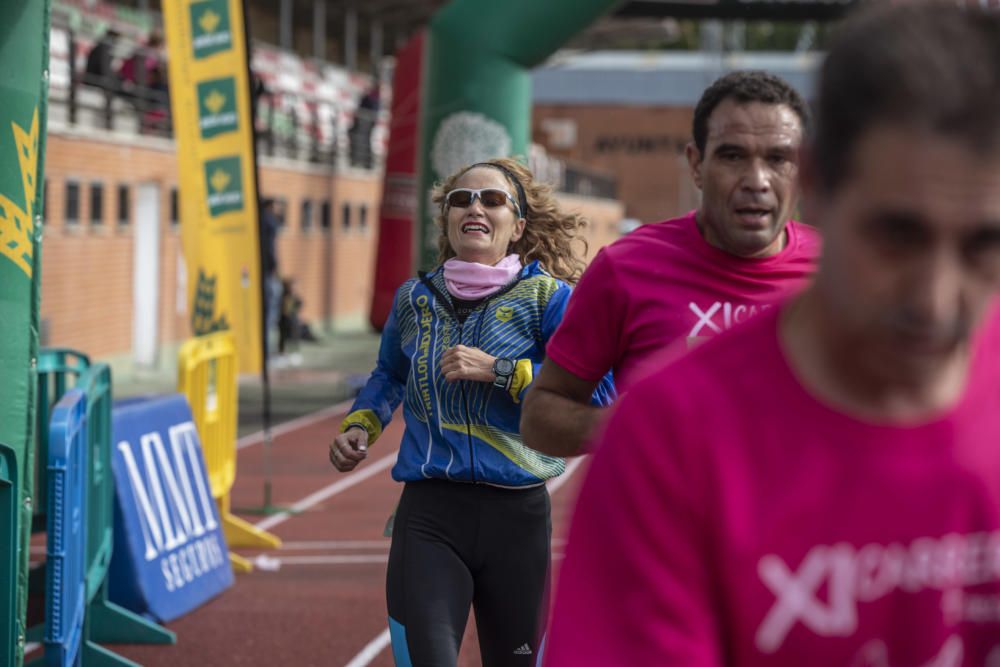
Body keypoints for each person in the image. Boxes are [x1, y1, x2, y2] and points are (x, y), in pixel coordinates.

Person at [544, 4, 1000, 665]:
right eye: (896, 237)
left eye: (986, 244)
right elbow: (546, 409)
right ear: (819, 183)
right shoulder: (669, 434)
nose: (935, 301)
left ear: (795, 172)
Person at [328, 157, 615, 666]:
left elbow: (598, 393)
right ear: (447, 220)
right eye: (461, 199)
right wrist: (359, 426)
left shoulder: (550, 299)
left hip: (518, 517)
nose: (474, 207)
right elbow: (389, 375)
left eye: (492, 199)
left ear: (518, 225)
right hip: (430, 515)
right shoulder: (413, 300)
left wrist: (503, 371)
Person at [521, 70, 821, 458]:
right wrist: (635, 423)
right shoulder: (625, 267)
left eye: (779, 158)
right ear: (696, 165)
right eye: (732, 156)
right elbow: (539, 416)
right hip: (657, 516)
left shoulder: (840, 273)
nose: (757, 180)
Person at [260, 198, 282, 355]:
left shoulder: (263, 221)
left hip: (264, 270)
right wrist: (274, 265)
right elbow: (270, 248)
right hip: (266, 271)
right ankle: (266, 351)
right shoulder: (268, 222)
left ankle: (266, 350)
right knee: (270, 307)